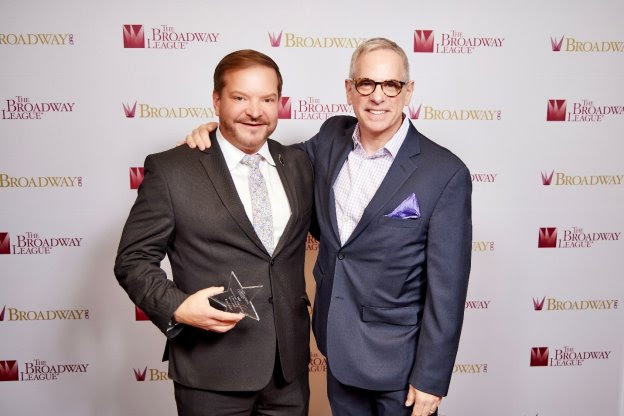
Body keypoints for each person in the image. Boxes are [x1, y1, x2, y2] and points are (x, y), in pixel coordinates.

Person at [184, 38, 472, 416]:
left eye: (391, 85)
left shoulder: (445, 172)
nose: (378, 97)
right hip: (336, 349)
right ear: (350, 90)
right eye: (366, 84)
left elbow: (447, 290)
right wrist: (222, 130)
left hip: (400, 366)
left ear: (408, 92)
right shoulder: (332, 138)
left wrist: (431, 378)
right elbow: (275, 160)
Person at [114, 49, 314, 416]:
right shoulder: (173, 170)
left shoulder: (299, 164)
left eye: (267, 99)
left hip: (289, 374)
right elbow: (132, 260)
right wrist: (177, 306)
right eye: (240, 98)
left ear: (279, 104)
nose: (255, 111)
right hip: (210, 372)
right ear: (216, 101)